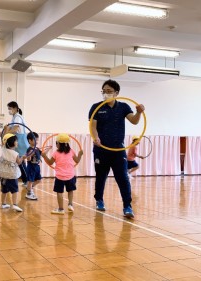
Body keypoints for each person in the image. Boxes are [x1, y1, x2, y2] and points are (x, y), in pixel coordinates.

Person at [88, 79, 145, 219]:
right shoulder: (96, 107)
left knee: (123, 178)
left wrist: (138, 112)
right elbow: (93, 127)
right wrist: (96, 138)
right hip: (101, 149)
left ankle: (127, 206)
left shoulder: (123, 107)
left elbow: (134, 120)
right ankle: (99, 200)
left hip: (118, 150)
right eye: (104, 91)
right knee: (101, 177)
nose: (106, 94)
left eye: (109, 91)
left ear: (116, 93)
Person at [41, 133, 83, 214]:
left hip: (60, 177)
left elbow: (50, 162)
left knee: (59, 192)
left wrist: (44, 156)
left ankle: (61, 209)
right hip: (71, 175)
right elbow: (77, 160)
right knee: (70, 190)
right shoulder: (71, 151)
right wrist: (80, 154)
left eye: (56, 142)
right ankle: (70, 204)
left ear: (58, 144)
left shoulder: (56, 153)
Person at [0, 101, 28, 186]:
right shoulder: (14, 117)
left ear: (15, 108)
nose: (9, 110)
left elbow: (15, 129)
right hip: (17, 142)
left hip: (20, 142)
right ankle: (22, 180)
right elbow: (8, 129)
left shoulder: (17, 117)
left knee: (21, 163)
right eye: (8, 108)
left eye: (10, 108)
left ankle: (27, 181)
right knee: (17, 162)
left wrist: (4, 134)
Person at [0, 133, 25, 212]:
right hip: (12, 175)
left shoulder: (3, 149)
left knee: (4, 190)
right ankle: (15, 205)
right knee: (15, 190)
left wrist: (3, 135)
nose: (17, 142)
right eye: (16, 141)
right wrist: (23, 157)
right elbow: (19, 162)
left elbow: (3, 142)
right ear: (12, 142)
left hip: (3, 174)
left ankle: (3, 204)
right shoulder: (15, 154)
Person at [25, 132, 41, 200]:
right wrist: (31, 154)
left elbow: (42, 154)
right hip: (31, 167)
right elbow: (28, 159)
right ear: (30, 140)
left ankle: (30, 188)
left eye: (37, 140)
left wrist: (48, 150)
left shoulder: (37, 149)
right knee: (30, 181)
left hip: (37, 166)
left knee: (39, 180)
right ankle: (29, 193)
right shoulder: (29, 149)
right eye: (35, 140)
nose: (37, 141)